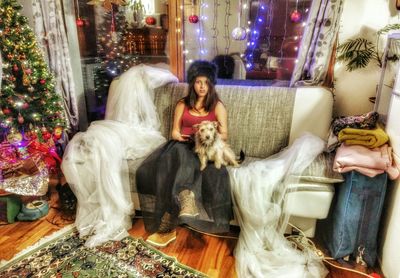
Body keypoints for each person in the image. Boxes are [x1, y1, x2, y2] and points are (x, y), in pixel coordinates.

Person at [136, 60, 233, 248]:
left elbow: (225, 134)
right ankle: (186, 199)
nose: (202, 86)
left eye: (206, 82)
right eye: (198, 82)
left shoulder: (217, 106)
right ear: (193, 84)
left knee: (194, 162)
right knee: (170, 159)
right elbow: (174, 131)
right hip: (181, 144)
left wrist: (205, 136)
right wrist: (180, 135)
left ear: (211, 83)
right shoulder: (182, 103)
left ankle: (173, 216)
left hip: (205, 147)